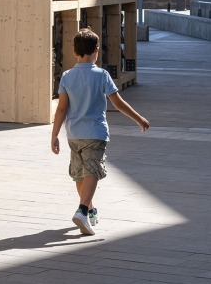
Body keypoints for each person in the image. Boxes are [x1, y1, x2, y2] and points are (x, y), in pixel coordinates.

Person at [51, 28, 149, 235]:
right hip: (95, 133)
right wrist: (139, 119)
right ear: (96, 51)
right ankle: (82, 210)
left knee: (80, 174)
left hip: (74, 134)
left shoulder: (67, 76)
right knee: (93, 172)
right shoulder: (102, 75)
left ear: (74, 53)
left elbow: (61, 108)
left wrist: (54, 135)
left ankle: (90, 210)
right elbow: (118, 102)